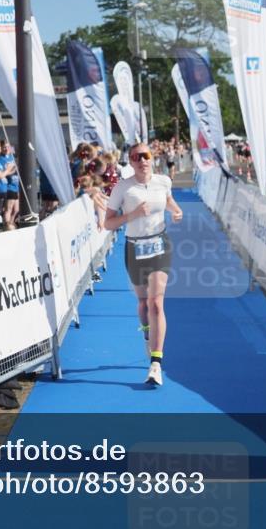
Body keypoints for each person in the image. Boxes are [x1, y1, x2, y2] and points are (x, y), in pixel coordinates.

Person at [102, 143, 183, 387]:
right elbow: (108, 224)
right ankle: (147, 331)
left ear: (152, 158)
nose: (141, 160)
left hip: (159, 244)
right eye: (136, 157)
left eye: (145, 156)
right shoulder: (123, 188)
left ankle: (155, 363)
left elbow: (168, 201)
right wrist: (132, 215)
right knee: (142, 304)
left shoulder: (163, 181)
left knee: (156, 302)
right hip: (134, 247)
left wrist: (176, 211)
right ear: (131, 161)